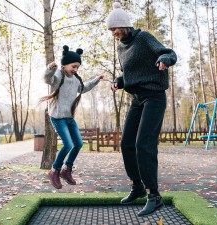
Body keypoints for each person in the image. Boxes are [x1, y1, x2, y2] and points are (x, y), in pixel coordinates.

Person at [106, 2, 177, 217]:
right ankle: (137, 186)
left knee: (143, 143)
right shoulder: (121, 47)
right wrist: (120, 81)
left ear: (124, 25)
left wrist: (164, 60)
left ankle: (154, 195)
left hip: (154, 96)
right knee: (127, 143)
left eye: (115, 29)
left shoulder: (144, 38)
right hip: (137, 98)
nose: (113, 34)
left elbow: (169, 53)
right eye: (110, 30)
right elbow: (130, 74)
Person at [40, 45, 103, 189]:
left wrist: (97, 79)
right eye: (73, 66)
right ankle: (54, 171)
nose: (75, 70)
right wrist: (50, 68)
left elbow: (84, 88)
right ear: (65, 64)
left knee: (79, 144)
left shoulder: (75, 80)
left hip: (69, 117)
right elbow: (46, 79)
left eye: (77, 67)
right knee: (67, 144)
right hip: (57, 117)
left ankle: (66, 170)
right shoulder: (57, 76)